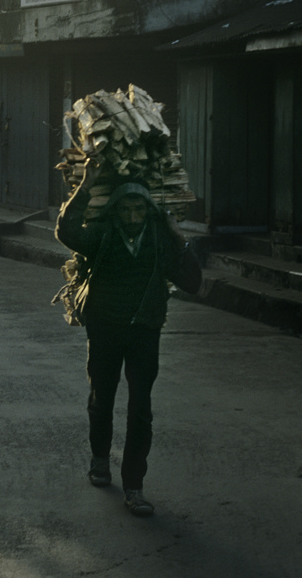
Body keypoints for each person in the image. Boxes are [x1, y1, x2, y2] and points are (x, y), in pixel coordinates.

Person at [55, 155, 201, 518]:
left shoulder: (157, 240)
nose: (134, 217)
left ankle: (134, 486)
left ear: (148, 211)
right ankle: (100, 460)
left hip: (144, 331)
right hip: (104, 329)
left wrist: (180, 239)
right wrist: (87, 184)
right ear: (116, 210)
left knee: (141, 410)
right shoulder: (103, 235)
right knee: (101, 398)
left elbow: (193, 283)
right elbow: (67, 230)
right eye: (127, 209)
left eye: (140, 209)